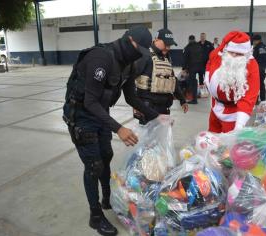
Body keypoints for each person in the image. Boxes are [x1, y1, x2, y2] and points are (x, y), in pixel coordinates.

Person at [62, 26, 164, 236]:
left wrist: (156, 116)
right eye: (137, 49)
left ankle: (106, 199)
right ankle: (95, 215)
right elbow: (89, 101)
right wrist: (118, 128)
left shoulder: (130, 64)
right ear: (128, 40)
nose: (138, 55)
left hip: (100, 114)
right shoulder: (101, 57)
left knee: (106, 156)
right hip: (81, 115)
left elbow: (131, 97)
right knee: (94, 165)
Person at [205, 31, 260, 133]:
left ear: (246, 53)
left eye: (239, 54)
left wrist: (239, 125)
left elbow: (249, 97)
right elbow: (210, 60)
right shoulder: (219, 54)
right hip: (215, 106)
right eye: (232, 52)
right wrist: (207, 76)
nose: (234, 56)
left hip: (232, 113)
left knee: (227, 145)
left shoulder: (252, 65)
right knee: (212, 138)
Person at [134, 28, 188, 124]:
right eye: (166, 44)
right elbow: (130, 79)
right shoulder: (145, 55)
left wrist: (182, 100)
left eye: (169, 45)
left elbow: (172, 80)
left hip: (164, 108)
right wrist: (135, 104)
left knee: (162, 138)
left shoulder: (166, 57)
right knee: (148, 138)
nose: (168, 48)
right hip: (148, 108)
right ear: (156, 39)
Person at [182, 35, 204, 104]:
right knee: (201, 81)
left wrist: (184, 68)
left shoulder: (187, 47)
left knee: (193, 83)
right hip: (201, 66)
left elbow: (185, 59)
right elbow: (203, 55)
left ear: (189, 40)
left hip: (192, 67)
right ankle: (201, 94)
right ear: (194, 39)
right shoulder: (199, 46)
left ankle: (194, 99)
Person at [252, 34, 266, 102]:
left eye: (254, 40)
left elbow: (253, 59)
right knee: (262, 84)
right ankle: (263, 99)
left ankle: (255, 100)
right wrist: (264, 64)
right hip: (262, 68)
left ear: (258, 40)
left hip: (256, 69)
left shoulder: (256, 48)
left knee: (255, 85)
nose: (253, 42)